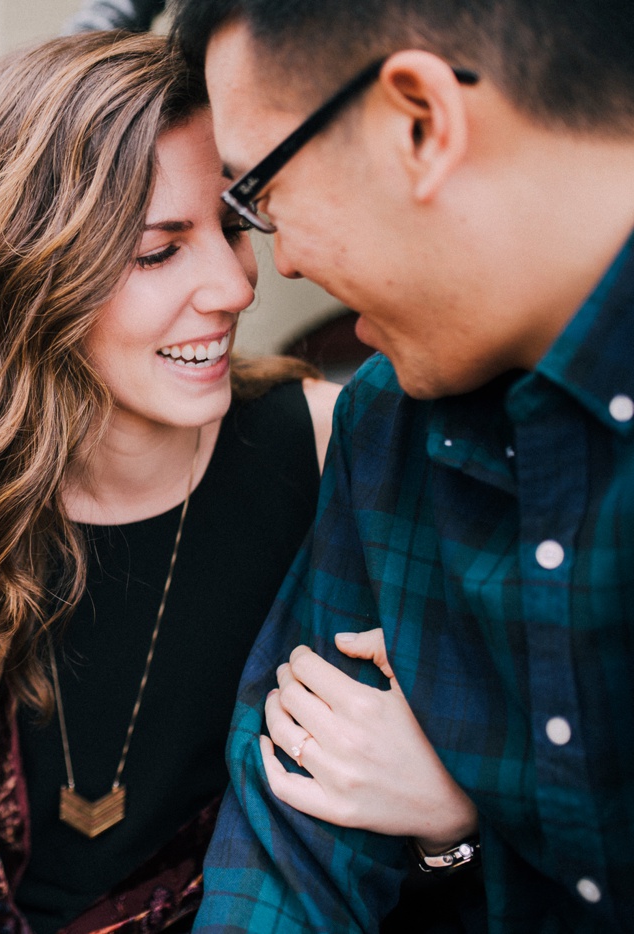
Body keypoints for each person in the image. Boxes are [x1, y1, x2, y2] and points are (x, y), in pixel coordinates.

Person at [0, 31, 467, 934]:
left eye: (234, 224)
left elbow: (437, 825)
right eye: (158, 251)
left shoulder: (332, 447)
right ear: (25, 279)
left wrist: (452, 825)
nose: (232, 287)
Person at [164, 0, 634, 931]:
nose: (277, 264)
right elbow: (290, 847)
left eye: (256, 193)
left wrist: (463, 824)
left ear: (419, 122)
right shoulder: (391, 424)